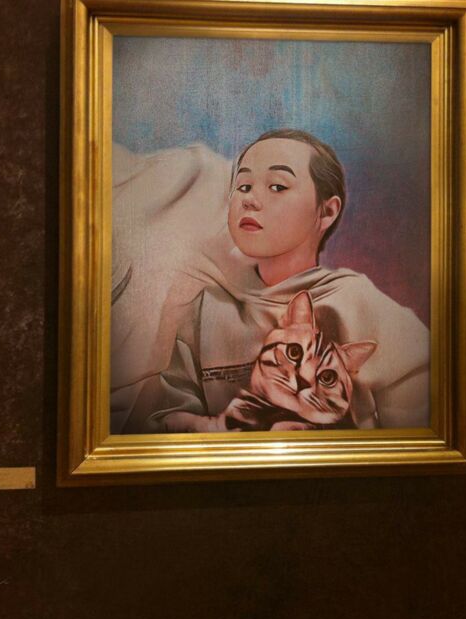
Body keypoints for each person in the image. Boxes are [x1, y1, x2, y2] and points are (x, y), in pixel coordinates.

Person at [121, 129, 430, 433]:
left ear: (326, 212)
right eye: (243, 186)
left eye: (278, 186)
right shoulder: (200, 307)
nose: (250, 200)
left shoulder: (360, 303)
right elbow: (162, 425)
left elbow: (421, 436)